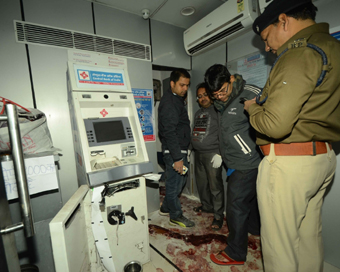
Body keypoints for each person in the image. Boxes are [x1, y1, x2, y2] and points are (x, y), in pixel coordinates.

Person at [244, 1, 340, 271]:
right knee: (310, 238)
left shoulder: (298, 53)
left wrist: (252, 109)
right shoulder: (334, 48)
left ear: (283, 21)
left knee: (279, 247)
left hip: (289, 165)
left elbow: (274, 124)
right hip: (323, 158)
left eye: (266, 38)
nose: (267, 47)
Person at [204, 64, 262, 265]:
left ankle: (236, 252)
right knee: (250, 201)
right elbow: (228, 130)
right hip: (233, 161)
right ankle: (254, 230)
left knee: (236, 205)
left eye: (223, 91)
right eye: (215, 94)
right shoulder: (221, 102)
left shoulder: (250, 93)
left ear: (231, 80)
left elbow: (268, 121)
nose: (219, 96)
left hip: (247, 162)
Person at [158, 68, 195, 228]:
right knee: (174, 185)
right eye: (181, 85)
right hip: (175, 152)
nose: (185, 89)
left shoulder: (176, 99)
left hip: (179, 150)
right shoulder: (170, 102)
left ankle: (166, 207)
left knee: (181, 181)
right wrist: (177, 158)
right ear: (172, 84)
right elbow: (169, 132)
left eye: (187, 85)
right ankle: (175, 215)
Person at [191, 82, 224, 230]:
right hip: (198, 154)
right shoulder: (198, 112)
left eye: (205, 95)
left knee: (215, 187)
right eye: (199, 96)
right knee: (202, 184)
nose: (202, 98)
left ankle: (218, 216)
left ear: (211, 95)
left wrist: (220, 153)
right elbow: (195, 132)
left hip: (212, 154)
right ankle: (206, 206)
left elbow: (224, 134)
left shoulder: (218, 110)